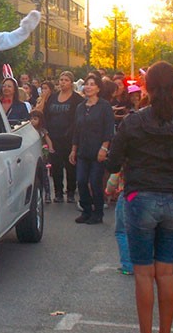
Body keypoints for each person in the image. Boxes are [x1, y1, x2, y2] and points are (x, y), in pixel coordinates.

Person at [107, 61, 173, 333]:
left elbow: (113, 160)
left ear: (147, 87)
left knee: (144, 273)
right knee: (166, 271)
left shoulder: (134, 121)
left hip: (141, 196)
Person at [69, 73, 114, 224]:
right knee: (81, 181)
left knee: (95, 182)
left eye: (92, 84)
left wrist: (104, 148)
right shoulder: (80, 107)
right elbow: (76, 129)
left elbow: (108, 129)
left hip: (98, 150)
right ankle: (86, 210)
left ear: (98, 88)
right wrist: (74, 149)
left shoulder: (104, 106)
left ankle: (98, 212)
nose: (88, 87)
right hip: (83, 150)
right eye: (86, 84)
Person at [44, 71, 83, 203]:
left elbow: (78, 119)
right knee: (56, 166)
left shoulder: (77, 99)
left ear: (71, 82)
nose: (63, 82)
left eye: (66, 80)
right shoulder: (53, 97)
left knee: (70, 165)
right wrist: (47, 135)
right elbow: (46, 116)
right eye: (61, 80)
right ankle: (58, 192)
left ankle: (71, 192)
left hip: (70, 139)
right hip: (54, 137)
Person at [29, 109, 54, 204]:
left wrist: (50, 148)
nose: (32, 121)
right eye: (31, 119)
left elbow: (48, 139)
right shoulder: (28, 131)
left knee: (44, 175)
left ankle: (47, 193)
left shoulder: (42, 131)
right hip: (32, 156)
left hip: (42, 154)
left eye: (35, 119)